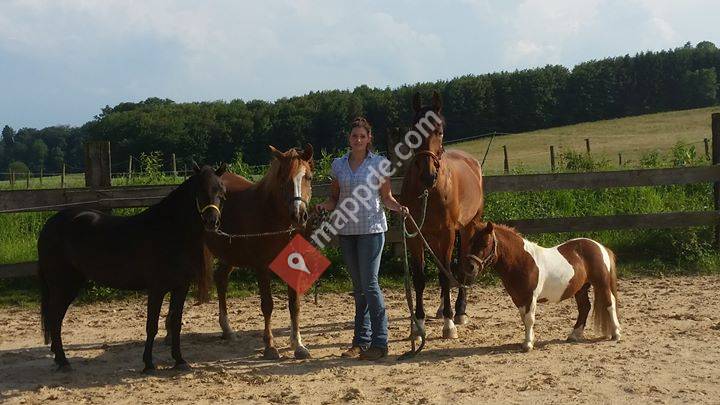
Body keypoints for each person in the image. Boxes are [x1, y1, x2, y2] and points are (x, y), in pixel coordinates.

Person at [316, 117, 409, 361]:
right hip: (347, 232)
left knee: (370, 285)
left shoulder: (379, 164)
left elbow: (386, 198)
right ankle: (360, 341)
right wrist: (323, 206)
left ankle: (380, 342)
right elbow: (334, 198)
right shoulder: (338, 165)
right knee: (359, 289)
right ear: (349, 138)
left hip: (372, 230)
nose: (358, 139)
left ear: (369, 139)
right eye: (354, 135)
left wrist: (399, 208)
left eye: (362, 136)